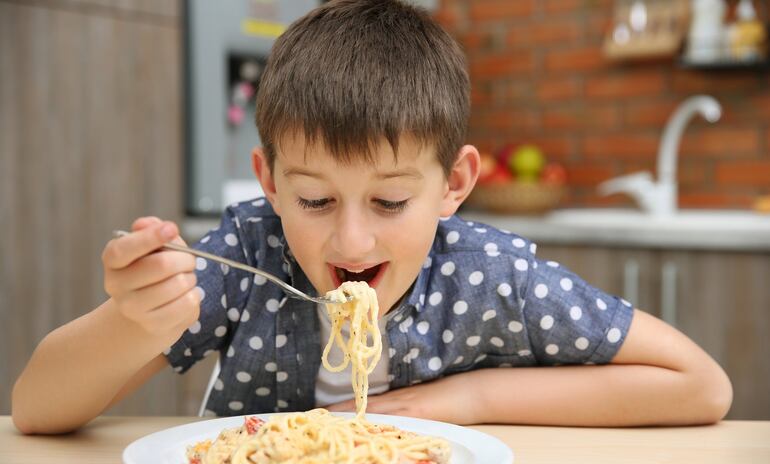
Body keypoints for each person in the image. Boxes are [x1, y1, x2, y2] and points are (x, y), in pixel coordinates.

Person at [12, 0, 732, 435]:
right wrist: (133, 321)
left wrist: (470, 397)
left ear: (454, 184)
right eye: (315, 200)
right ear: (267, 181)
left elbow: (701, 385)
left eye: (390, 201)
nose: (351, 241)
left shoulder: (487, 273)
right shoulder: (248, 256)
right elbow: (36, 408)